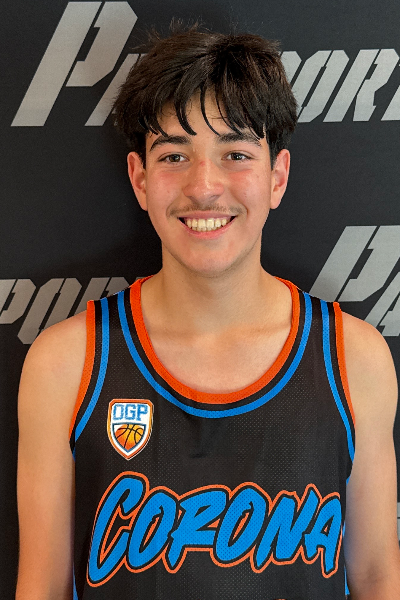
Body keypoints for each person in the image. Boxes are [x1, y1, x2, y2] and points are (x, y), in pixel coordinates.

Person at [16, 20, 400, 600]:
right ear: (140, 179)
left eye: (235, 153)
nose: (204, 186)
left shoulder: (354, 358)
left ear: (277, 177)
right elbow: (41, 587)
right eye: (174, 155)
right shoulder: (66, 363)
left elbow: (376, 577)